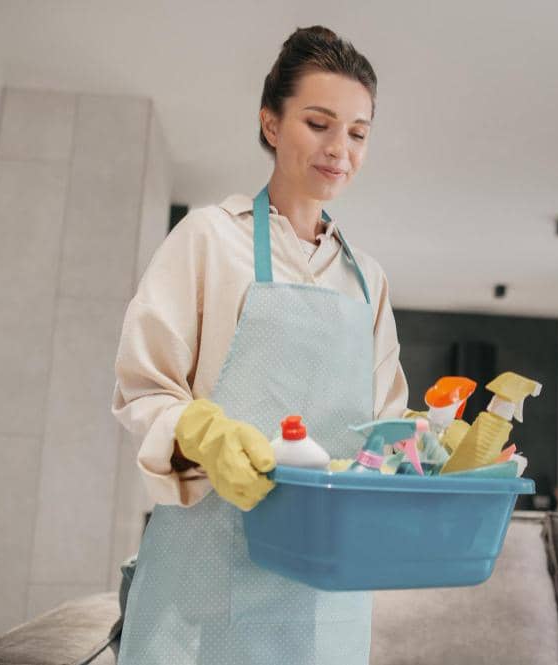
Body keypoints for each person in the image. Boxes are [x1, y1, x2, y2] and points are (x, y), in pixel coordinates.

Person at [110, 25, 408, 664]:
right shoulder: (208, 240)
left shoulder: (368, 279)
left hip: (325, 589)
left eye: (358, 133)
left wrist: (433, 456)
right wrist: (204, 434)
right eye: (319, 123)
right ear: (272, 124)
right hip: (205, 567)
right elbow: (143, 385)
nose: (340, 149)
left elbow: (386, 429)